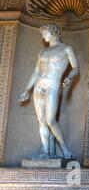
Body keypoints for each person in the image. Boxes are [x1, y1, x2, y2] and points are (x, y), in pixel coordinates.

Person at [19, 23, 79, 159]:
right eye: (43, 34)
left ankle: (64, 149)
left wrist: (69, 77)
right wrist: (27, 89)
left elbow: (76, 68)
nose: (43, 36)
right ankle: (45, 152)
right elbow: (36, 72)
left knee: (50, 120)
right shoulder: (42, 52)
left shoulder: (66, 49)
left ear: (54, 33)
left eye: (46, 33)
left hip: (53, 84)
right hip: (39, 85)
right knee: (41, 120)